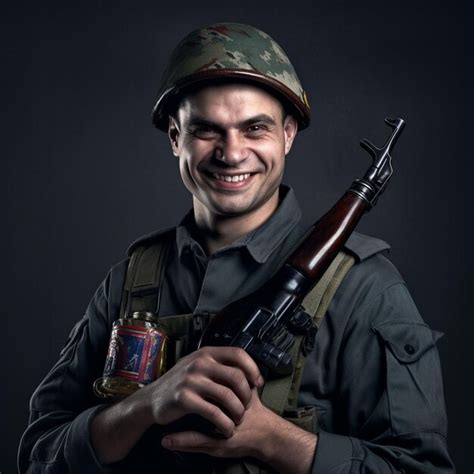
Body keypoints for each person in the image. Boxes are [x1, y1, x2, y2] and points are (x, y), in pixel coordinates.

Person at [18, 23, 454, 473]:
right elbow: (40, 454)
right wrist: (143, 406)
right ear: (175, 138)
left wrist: (272, 440)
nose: (231, 153)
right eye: (207, 130)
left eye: (255, 128)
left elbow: (420, 469)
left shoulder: (364, 288)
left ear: (288, 134)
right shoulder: (130, 281)